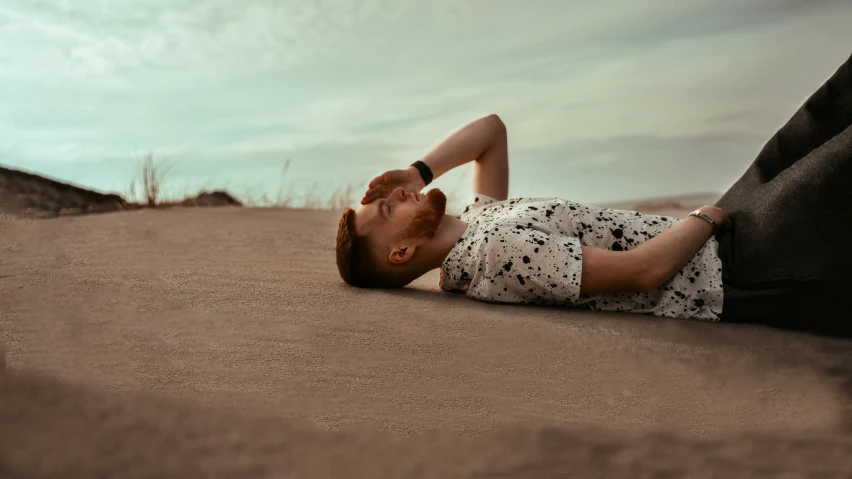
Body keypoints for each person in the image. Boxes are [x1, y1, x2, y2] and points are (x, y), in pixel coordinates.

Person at [336, 53, 852, 336]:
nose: (402, 194)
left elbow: (491, 131)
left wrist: (417, 170)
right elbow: (642, 273)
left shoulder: (477, 225)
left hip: (728, 231)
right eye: (389, 208)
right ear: (400, 252)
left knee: (832, 105)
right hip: (732, 266)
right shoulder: (493, 256)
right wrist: (709, 218)